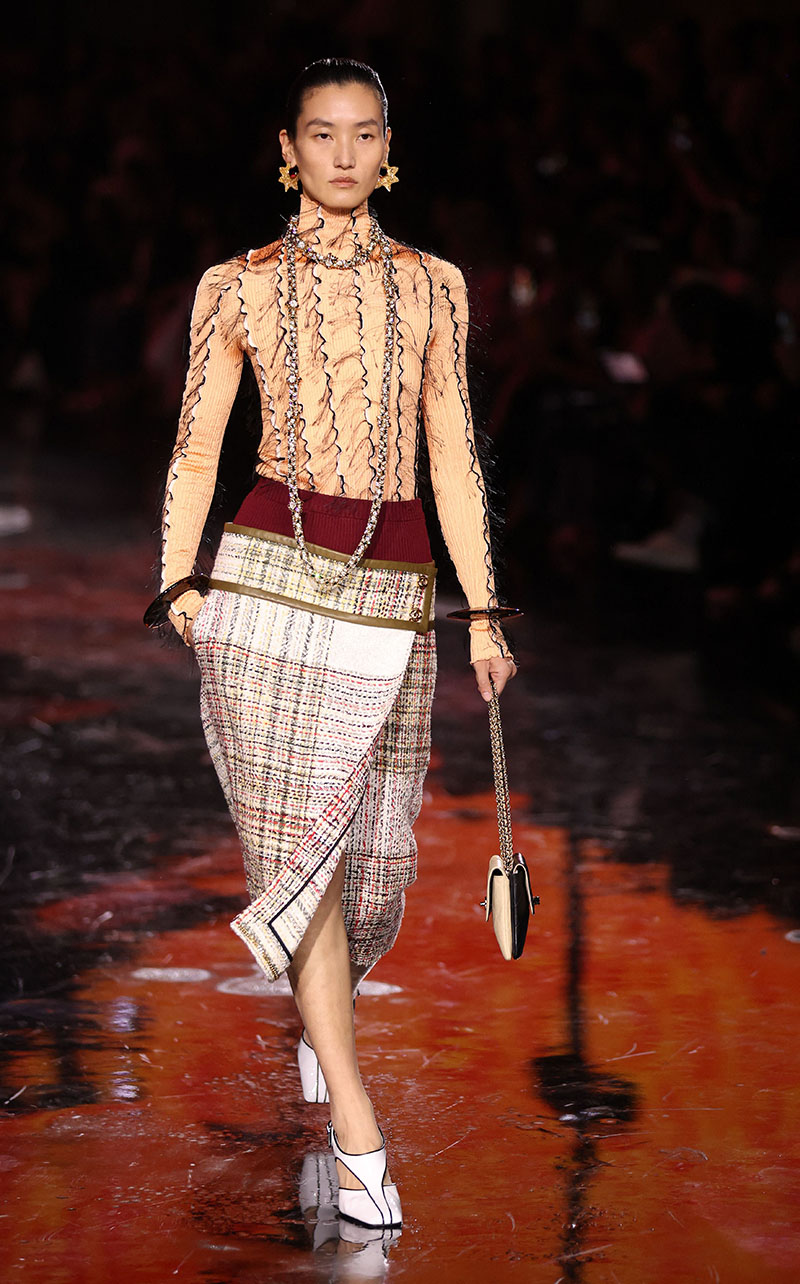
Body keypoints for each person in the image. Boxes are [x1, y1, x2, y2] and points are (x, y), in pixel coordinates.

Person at [150, 57, 516, 1230]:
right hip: (264, 581)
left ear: (387, 147)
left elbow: (452, 452)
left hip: (393, 591)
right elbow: (198, 445)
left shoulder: (432, 286)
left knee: (374, 860)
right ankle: (357, 1125)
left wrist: (483, 609)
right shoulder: (237, 286)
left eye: (364, 133)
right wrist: (178, 583)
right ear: (288, 148)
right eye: (322, 133)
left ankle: (327, 1015)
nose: (344, 154)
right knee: (297, 850)